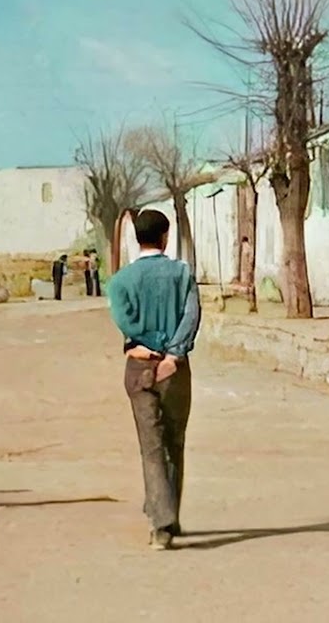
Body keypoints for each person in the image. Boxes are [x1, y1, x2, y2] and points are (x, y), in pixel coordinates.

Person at [108, 209, 202, 551]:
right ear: (165, 236)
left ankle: (161, 523)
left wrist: (149, 343)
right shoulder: (182, 274)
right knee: (175, 442)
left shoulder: (120, 282)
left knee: (151, 446)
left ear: (137, 238)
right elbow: (192, 316)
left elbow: (125, 321)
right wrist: (173, 354)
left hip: (138, 367)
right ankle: (169, 515)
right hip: (175, 370)